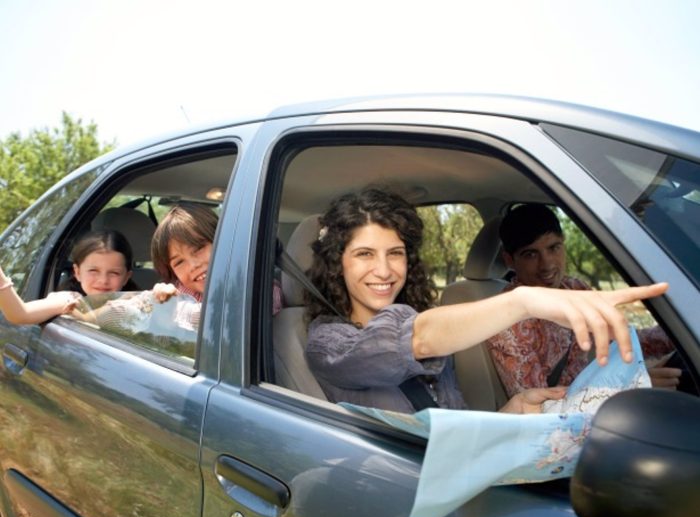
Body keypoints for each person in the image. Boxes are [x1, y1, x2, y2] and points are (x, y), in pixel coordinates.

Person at [304, 189, 668, 415]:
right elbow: (416, 338)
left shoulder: (431, 331)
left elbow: (453, 427)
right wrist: (523, 301)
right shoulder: (328, 344)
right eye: (364, 254)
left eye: (395, 253)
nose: (383, 270)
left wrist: (511, 412)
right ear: (338, 263)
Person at [486, 204, 679, 398]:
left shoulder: (574, 288)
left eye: (553, 248)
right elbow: (539, 408)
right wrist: (633, 387)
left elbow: (619, 341)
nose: (547, 265)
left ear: (563, 242)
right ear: (509, 260)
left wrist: (675, 335)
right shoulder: (508, 320)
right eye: (530, 254)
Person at [150, 202, 283, 315]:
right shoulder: (182, 291)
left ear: (222, 241)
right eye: (179, 262)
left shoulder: (257, 282)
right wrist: (161, 301)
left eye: (198, 248)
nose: (193, 265)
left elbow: (230, 314)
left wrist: (172, 312)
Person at [0, 229, 136, 325]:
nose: (103, 280)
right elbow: (20, 314)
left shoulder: (137, 302)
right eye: (93, 270)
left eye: (114, 273)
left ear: (126, 277)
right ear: (77, 272)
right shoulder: (70, 300)